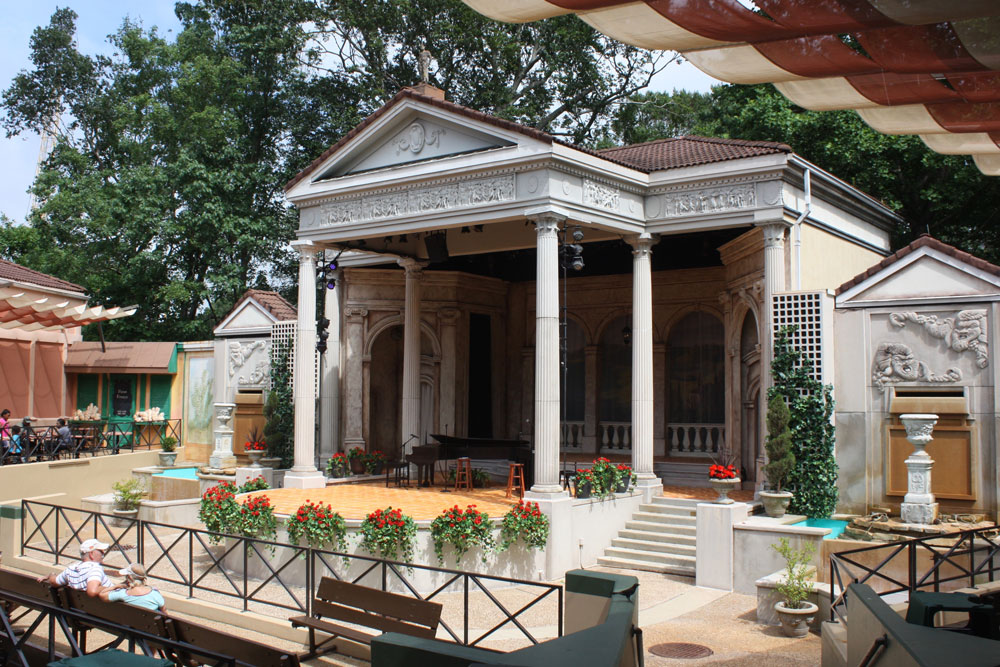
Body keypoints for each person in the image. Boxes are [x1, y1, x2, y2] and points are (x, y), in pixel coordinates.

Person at [41, 538, 112, 596]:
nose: (103, 554)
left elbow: (53, 582)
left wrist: (51, 575)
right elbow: (92, 591)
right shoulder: (95, 569)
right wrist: (114, 588)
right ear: (91, 554)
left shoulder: (71, 569)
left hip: (82, 609)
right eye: (101, 551)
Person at [100, 563, 165, 611]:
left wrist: (117, 586)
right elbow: (164, 613)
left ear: (129, 577)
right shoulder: (155, 593)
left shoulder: (123, 594)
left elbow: (102, 595)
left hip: (131, 627)